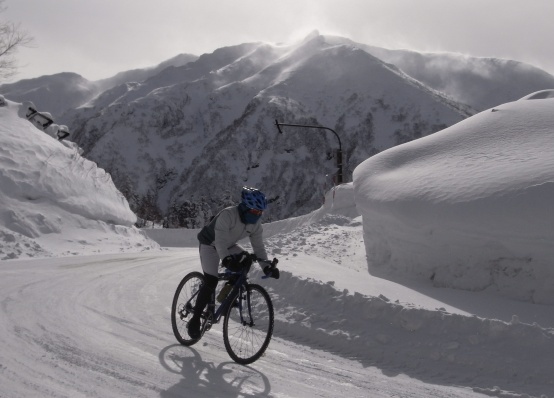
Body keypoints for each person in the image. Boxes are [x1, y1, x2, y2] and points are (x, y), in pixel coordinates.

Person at [187, 186, 280, 339]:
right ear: (245, 208)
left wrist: (267, 267)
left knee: (245, 261)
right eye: (255, 211)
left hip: (228, 245)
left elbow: (259, 247)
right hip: (209, 244)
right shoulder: (228, 215)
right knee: (211, 281)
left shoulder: (255, 224)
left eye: (260, 212)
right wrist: (226, 260)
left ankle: (226, 300)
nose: (257, 215)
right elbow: (220, 242)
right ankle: (195, 319)